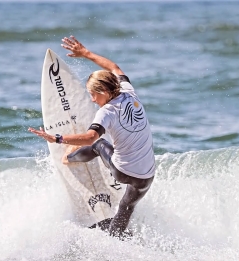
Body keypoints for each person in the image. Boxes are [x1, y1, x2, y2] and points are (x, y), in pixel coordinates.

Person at [28, 36, 155, 237]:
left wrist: (58, 139)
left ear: (104, 91)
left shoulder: (106, 112)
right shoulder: (129, 92)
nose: (91, 99)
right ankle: (117, 240)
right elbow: (114, 67)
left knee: (99, 144)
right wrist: (86, 53)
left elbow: (89, 138)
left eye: (93, 94)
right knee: (126, 207)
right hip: (147, 176)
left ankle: (69, 157)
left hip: (123, 172)